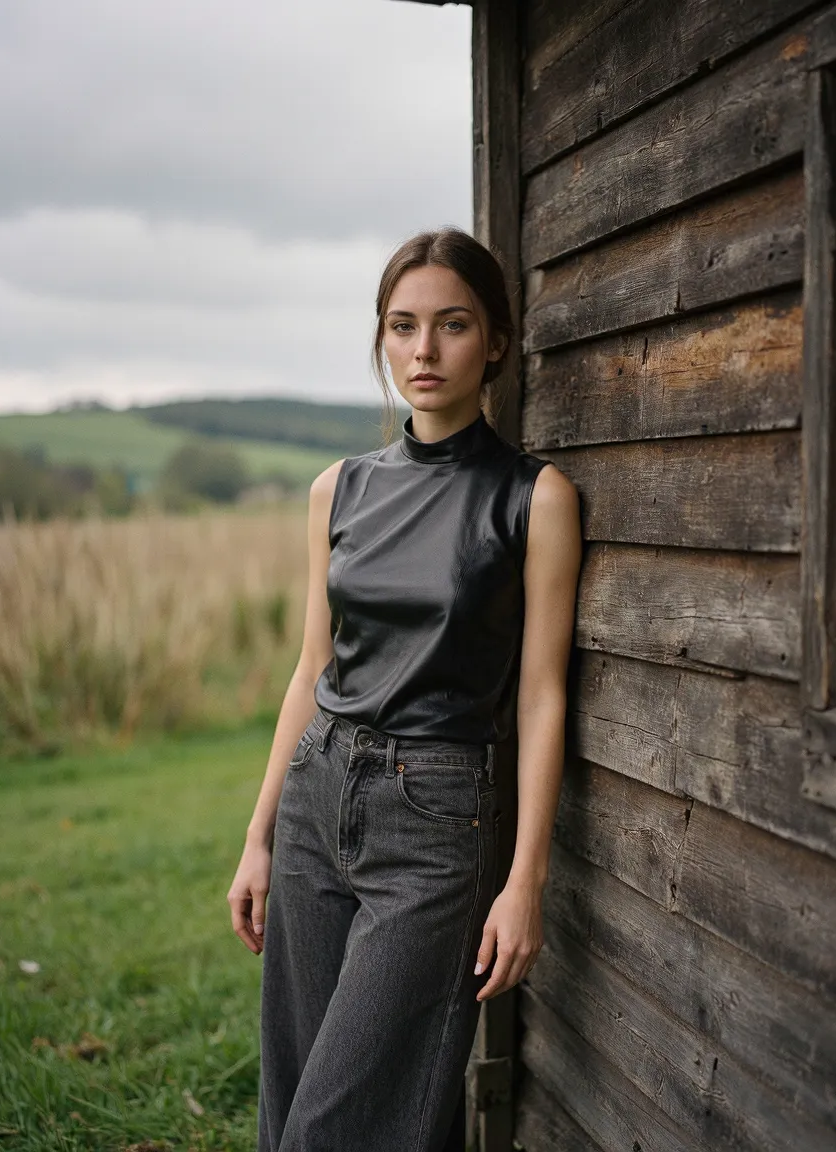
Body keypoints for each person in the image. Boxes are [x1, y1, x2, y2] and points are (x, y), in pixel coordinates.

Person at [227, 226, 582, 1152]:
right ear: (382, 339)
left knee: (349, 1122)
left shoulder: (534, 497)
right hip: (316, 797)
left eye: (452, 325)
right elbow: (313, 668)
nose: (423, 352)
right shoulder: (337, 490)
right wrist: (260, 835)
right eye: (402, 326)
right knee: (299, 1099)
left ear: (496, 341)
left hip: (437, 818)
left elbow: (543, 696)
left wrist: (525, 881)